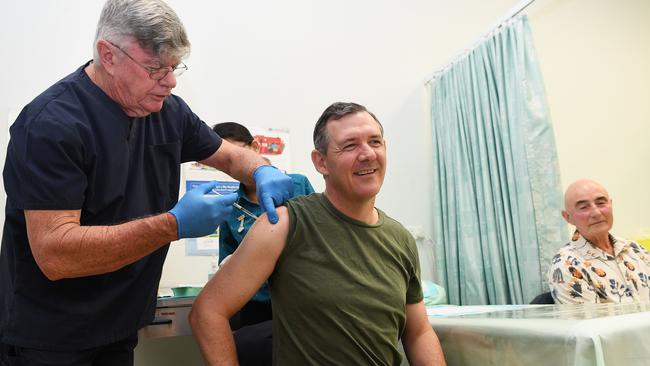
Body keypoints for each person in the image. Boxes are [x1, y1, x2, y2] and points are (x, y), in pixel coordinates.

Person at [0, 1, 293, 365]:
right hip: (50, 338)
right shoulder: (52, 125)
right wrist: (173, 225)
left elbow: (231, 156)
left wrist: (262, 170)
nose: (169, 81)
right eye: (156, 68)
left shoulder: (167, 111)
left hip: (120, 327)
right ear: (108, 54)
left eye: (174, 68)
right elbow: (55, 254)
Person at [190, 102, 446, 365]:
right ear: (321, 162)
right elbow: (208, 312)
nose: (367, 153)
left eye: (375, 142)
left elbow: (418, 333)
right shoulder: (283, 223)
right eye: (350, 145)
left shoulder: (400, 238)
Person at [212, 122, 315, 329]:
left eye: (238, 152)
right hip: (255, 306)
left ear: (256, 147)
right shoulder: (231, 206)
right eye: (223, 161)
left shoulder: (297, 185)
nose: (233, 163)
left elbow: (319, 236)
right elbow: (226, 261)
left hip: (301, 302)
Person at [548, 179, 650, 304]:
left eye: (601, 203)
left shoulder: (634, 248)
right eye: (584, 207)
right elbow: (590, 322)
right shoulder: (566, 265)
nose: (596, 212)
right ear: (568, 217)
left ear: (610, 204)